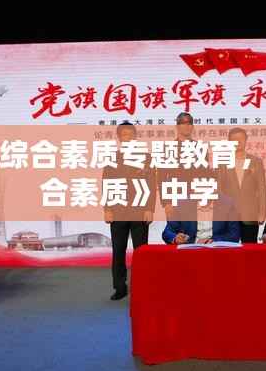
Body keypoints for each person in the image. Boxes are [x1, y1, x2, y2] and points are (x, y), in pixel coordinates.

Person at [103, 121, 156, 300]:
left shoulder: (146, 158)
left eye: (131, 135)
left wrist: (149, 209)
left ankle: (143, 286)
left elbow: (151, 185)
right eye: (124, 135)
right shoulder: (112, 158)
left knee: (141, 252)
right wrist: (107, 208)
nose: (128, 138)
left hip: (140, 211)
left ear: (135, 137)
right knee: (118, 250)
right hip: (118, 211)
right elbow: (106, 183)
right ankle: (120, 287)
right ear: (119, 138)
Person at [217, 127, 266, 243]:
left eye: (241, 139)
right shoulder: (222, 162)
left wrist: (262, 212)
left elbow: (262, 189)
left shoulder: (256, 161)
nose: (238, 142)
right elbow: (219, 189)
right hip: (228, 213)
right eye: (234, 139)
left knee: (250, 247)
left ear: (246, 140)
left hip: (250, 213)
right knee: (227, 247)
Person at [162, 195, 240, 244]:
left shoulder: (227, 204)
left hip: (217, 251)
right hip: (190, 251)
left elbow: (234, 235)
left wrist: (214, 240)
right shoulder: (182, 204)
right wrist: (175, 238)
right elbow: (167, 232)